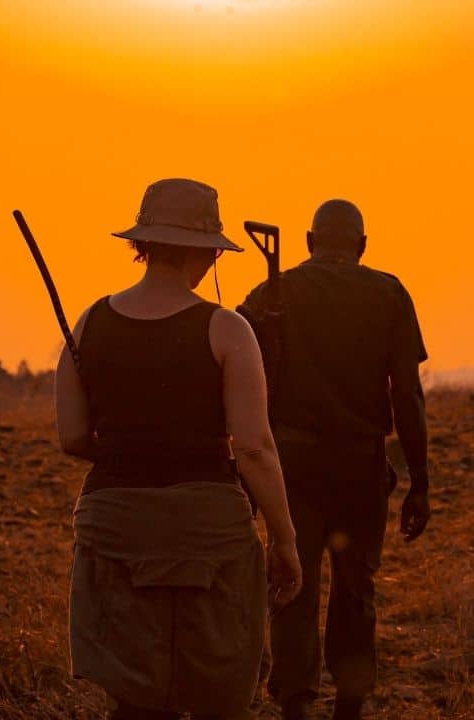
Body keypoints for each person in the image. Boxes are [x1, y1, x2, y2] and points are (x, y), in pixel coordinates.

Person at [55, 178, 303, 720]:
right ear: (210, 253)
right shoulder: (227, 329)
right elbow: (256, 446)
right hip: (209, 529)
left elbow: (72, 437)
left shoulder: (89, 322)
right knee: (217, 682)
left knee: (135, 693)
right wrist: (284, 540)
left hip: (114, 522)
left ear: (141, 245)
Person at [237, 199, 430, 720]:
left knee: (292, 583)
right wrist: (420, 481)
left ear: (307, 241)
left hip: (290, 469)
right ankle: (349, 703)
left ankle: (296, 705)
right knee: (356, 588)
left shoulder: (274, 293)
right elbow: (408, 394)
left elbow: (235, 378)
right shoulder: (389, 294)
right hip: (360, 468)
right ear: (363, 246)